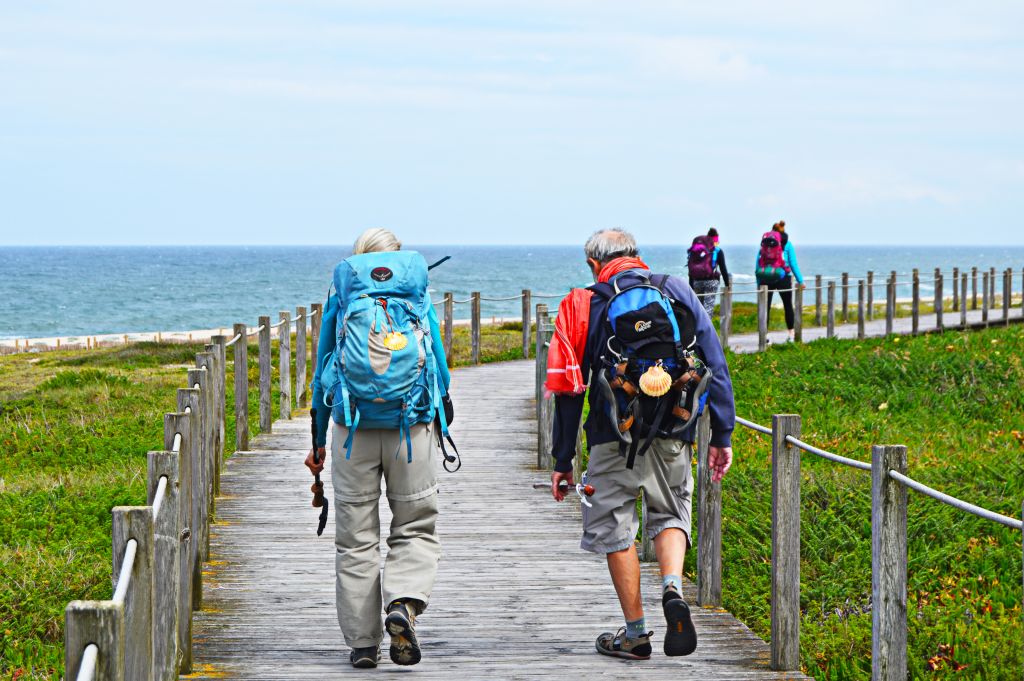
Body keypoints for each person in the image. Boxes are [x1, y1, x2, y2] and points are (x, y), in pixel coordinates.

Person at [547, 228, 736, 661]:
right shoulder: (675, 289)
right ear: (637, 256)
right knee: (670, 513)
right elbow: (716, 362)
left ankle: (635, 633)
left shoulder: (583, 302)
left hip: (612, 434)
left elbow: (569, 390)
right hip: (674, 425)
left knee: (615, 527)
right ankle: (672, 586)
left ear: (594, 264)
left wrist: (563, 459)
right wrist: (721, 434)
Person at [306, 227, 451, 669]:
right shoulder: (414, 292)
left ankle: (363, 644)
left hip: (352, 429)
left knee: (355, 540)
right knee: (415, 525)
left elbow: (322, 369)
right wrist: (441, 415)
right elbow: (438, 364)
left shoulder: (343, 294)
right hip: (412, 424)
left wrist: (316, 441)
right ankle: (402, 605)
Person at [755, 221, 804, 341]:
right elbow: (793, 263)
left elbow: (758, 261)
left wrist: (758, 281)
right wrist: (800, 280)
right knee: (787, 305)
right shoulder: (788, 244)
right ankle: (791, 335)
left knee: (765, 307)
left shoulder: (766, 243)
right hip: (783, 277)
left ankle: (764, 336)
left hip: (766, 277)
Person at [686, 227, 731, 317]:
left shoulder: (697, 250)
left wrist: (691, 285)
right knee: (708, 309)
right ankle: (706, 330)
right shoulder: (717, 250)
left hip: (697, 281)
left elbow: (691, 267)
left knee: (698, 309)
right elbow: (723, 269)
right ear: (716, 239)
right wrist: (727, 285)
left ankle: (697, 330)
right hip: (711, 281)